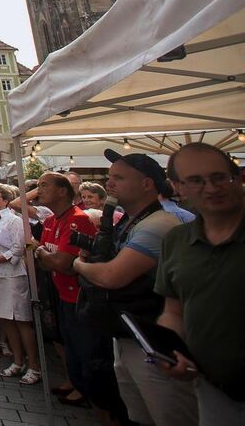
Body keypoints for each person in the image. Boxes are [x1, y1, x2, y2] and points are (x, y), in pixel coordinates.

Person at [74, 151, 196, 426]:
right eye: (109, 176)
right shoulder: (135, 221)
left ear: (147, 184)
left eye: (119, 177)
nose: (109, 183)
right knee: (140, 416)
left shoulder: (158, 224)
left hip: (156, 340)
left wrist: (78, 265)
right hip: (132, 334)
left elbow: (111, 276)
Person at [155, 143, 245, 425]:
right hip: (213, 390)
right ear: (177, 187)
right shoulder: (177, 239)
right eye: (196, 180)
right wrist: (170, 351)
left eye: (219, 177)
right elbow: (173, 310)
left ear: (237, 177)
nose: (211, 188)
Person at [31, 173, 126, 415]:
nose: (38, 190)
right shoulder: (52, 220)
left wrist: (42, 254)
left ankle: (94, 399)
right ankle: (77, 385)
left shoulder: (77, 220)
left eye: (44, 186)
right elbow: (47, 260)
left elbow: (61, 262)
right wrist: (46, 256)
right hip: (61, 294)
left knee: (86, 351)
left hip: (80, 298)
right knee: (69, 347)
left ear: (63, 191)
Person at [0, 183, 40, 385]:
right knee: (5, 319)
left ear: (5, 199)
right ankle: (17, 361)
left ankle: (34, 366)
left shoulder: (14, 220)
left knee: (20, 319)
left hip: (12, 274)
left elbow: (18, 249)